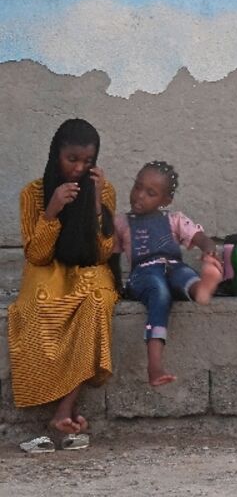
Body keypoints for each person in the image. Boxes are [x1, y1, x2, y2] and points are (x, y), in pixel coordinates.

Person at [9, 119, 117, 452]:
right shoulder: (33, 193)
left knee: (97, 302)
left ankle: (64, 411)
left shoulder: (103, 189)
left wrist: (98, 203)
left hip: (90, 268)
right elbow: (37, 255)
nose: (78, 168)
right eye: (72, 159)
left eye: (87, 161)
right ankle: (56, 412)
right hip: (48, 271)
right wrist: (52, 210)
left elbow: (103, 252)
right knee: (34, 309)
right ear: (56, 153)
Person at [115, 161, 224, 388]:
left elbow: (199, 237)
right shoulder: (122, 222)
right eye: (137, 187)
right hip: (142, 275)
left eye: (150, 193)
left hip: (172, 266)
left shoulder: (174, 219)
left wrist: (208, 249)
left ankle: (201, 289)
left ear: (165, 200)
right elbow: (110, 256)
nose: (139, 195)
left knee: (184, 274)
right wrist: (117, 286)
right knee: (160, 291)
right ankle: (154, 366)